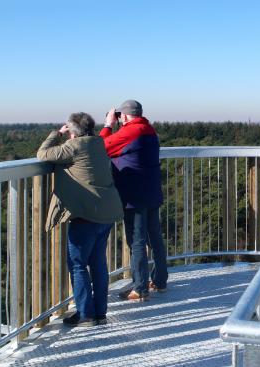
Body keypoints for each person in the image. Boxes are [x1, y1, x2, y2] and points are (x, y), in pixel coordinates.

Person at [37, 112, 123, 326]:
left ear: (73, 134)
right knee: (98, 263)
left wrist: (57, 133)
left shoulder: (73, 147)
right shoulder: (99, 144)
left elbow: (42, 154)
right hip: (107, 212)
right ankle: (100, 313)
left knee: (77, 264)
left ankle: (85, 314)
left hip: (87, 214)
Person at [100, 100, 168, 302]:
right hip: (151, 193)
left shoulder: (132, 131)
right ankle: (159, 281)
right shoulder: (148, 129)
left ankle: (140, 289)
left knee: (137, 241)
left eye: (120, 115)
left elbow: (101, 147)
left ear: (126, 116)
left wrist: (108, 125)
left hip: (134, 196)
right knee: (154, 237)